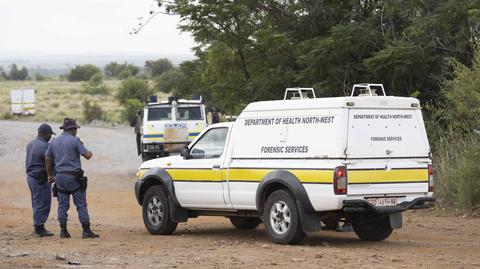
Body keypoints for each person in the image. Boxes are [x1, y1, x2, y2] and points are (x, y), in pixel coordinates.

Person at [45, 118, 99, 239]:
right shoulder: (75, 141)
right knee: (81, 204)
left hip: (60, 178)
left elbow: (48, 159)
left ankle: (63, 231)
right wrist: (86, 149)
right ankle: (86, 231)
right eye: (76, 129)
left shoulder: (54, 141)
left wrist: (50, 175)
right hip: (74, 178)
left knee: (62, 205)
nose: (76, 131)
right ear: (72, 129)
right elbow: (88, 156)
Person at [25, 124, 55, 237]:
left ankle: (38, 226)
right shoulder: (44, 146)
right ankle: (39, 228)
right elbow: (49, 161)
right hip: (40, 177)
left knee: (36, 202)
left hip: (31, 177)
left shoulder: (30, 143)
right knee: (43, 202)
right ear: (44, 133)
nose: (50, 137)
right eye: (49, 134)